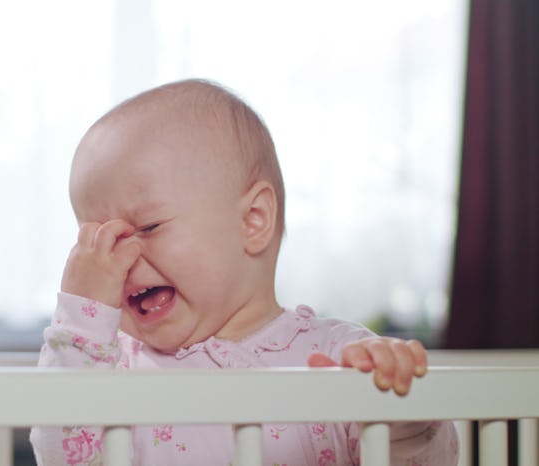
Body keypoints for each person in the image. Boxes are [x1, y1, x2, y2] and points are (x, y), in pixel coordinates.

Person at [29, 79, 458, 465]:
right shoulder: (107, 369)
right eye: (97, 242)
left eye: (147, 226)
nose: (118, 259)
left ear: (253, 220)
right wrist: (81, 321)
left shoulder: (338, 357)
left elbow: (427, 459)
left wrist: (400, 413)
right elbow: (60, 455)